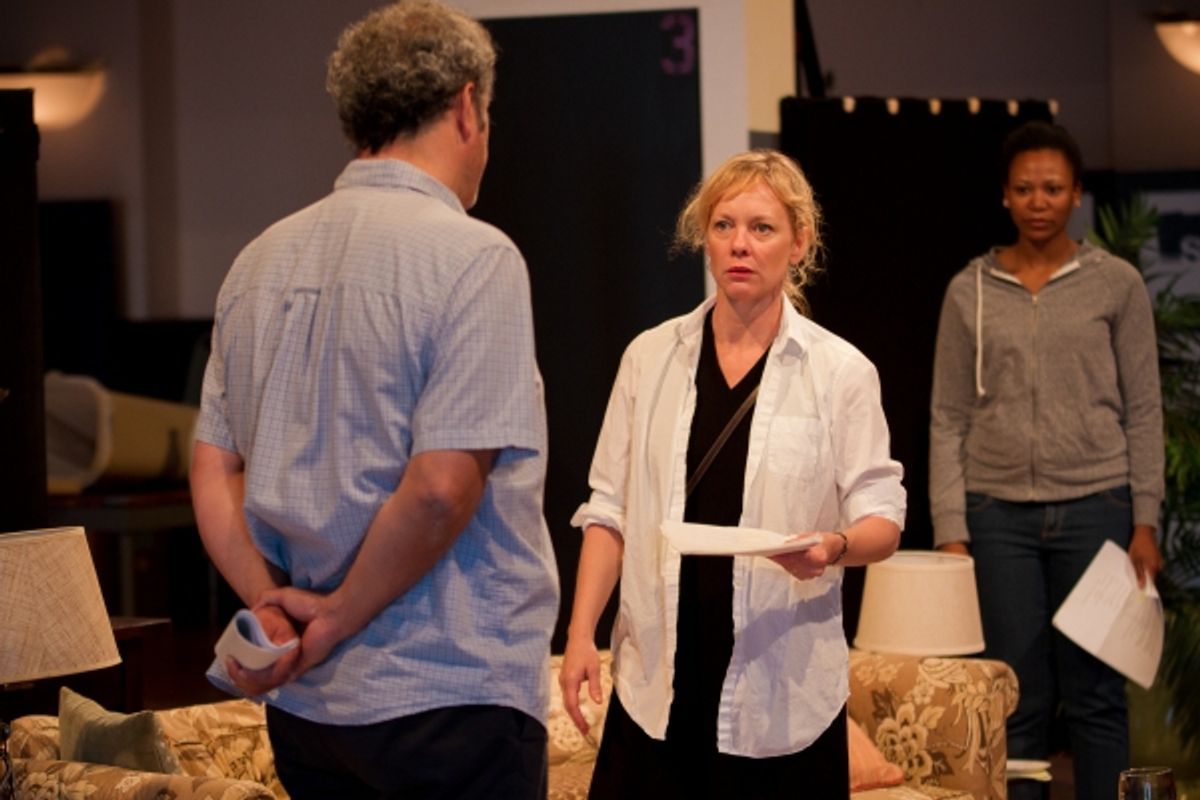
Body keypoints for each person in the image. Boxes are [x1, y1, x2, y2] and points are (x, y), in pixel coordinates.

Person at [189, 2, 559, 797]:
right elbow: (440, 490)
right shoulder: (475, 256)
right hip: (445, 694)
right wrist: (336, 618)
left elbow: (213, 470)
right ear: (467, 106)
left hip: (307, 706)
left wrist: (273, 607)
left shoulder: (259, 259)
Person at [559, 149, 906, 799]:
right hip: (656, 685)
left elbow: (883, 517)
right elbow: (608, 511)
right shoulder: (649, 358)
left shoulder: (840, 372)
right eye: (724, 225)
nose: (739, 244)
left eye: (762, 227)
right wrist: (580, 635)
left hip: (780, 694)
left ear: (800, 242)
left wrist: (835, 547)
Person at [929, 120, 1164, 800]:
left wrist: (1145, 520)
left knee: (1097, 695)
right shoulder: (968, 290)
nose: (1039, 201)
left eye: (1053, 188)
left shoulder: (1116, 284)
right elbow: (946, 416)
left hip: (1098, 507)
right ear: (1005, 195)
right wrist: (951, 530)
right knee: (1015, 695)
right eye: (1026, 188)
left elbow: (1144, 407)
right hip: (997, 516)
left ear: (1077, 194)